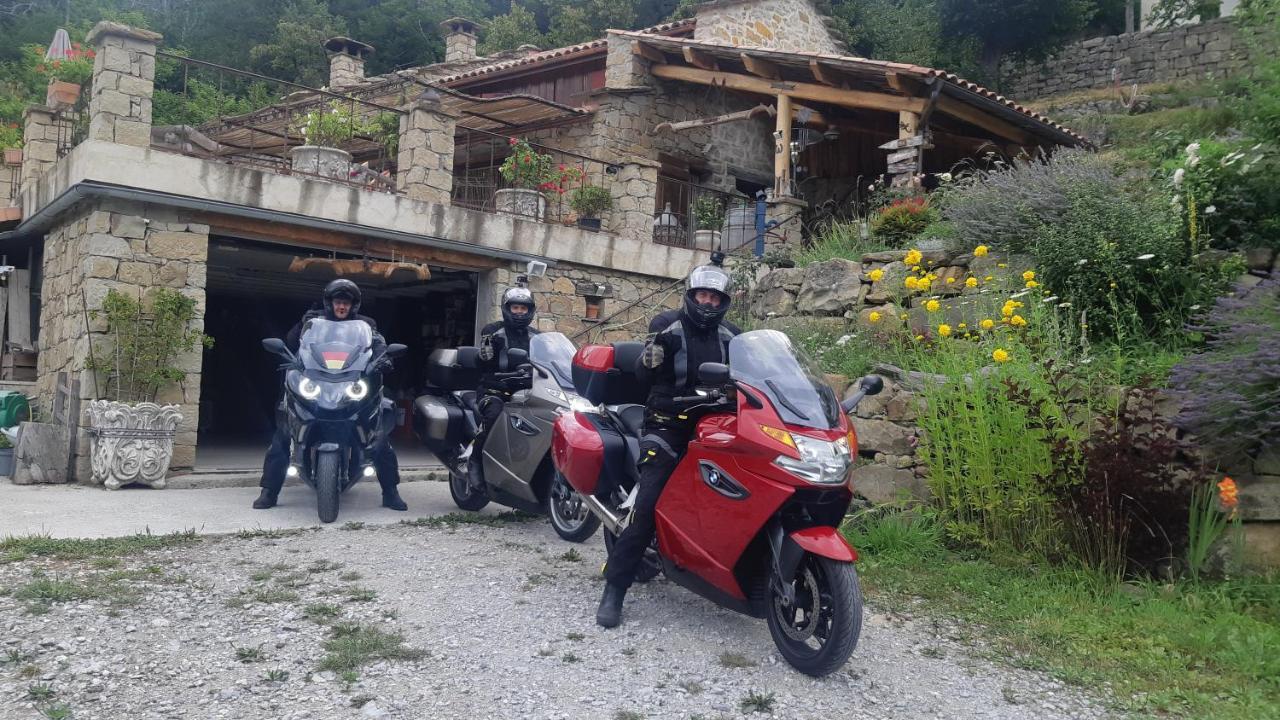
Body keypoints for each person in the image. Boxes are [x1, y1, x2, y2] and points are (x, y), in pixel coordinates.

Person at [597, 260, 739, 628]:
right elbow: (644, 374)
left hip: (717, 426)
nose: (707, 303)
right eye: (702, 295)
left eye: (714, 297)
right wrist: (648, 359)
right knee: (648, 503)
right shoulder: (666, 325)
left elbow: (753, 376)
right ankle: (615, 587)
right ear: (691, 295)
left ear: (724, 301)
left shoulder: (733, 336)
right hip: (667, 424)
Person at [253, 279, 407, 512]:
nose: (342, 307)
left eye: (346, 303)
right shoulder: (314, 322)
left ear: (354, 305)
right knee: (283, 435)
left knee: (379, 439)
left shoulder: (366, 325)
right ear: (330, 303)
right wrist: (301, 324)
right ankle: (269, 492)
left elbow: (377, 346)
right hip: (316, 381)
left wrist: (383, 358)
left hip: (351, 383)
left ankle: (391, 492)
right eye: (338, 302)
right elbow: (293, 344)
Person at [467, 285, 540, 487]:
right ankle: (474, 461)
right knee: (494, 413)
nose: (519, 312)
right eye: (515, 307)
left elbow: (547, 361)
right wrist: (485, 354)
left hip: (525, 390)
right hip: (495, 388)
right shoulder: (492, 331)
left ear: (530, 310)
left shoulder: (537, 336)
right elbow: (483, 362)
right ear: (507, 308)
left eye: (523, 308)